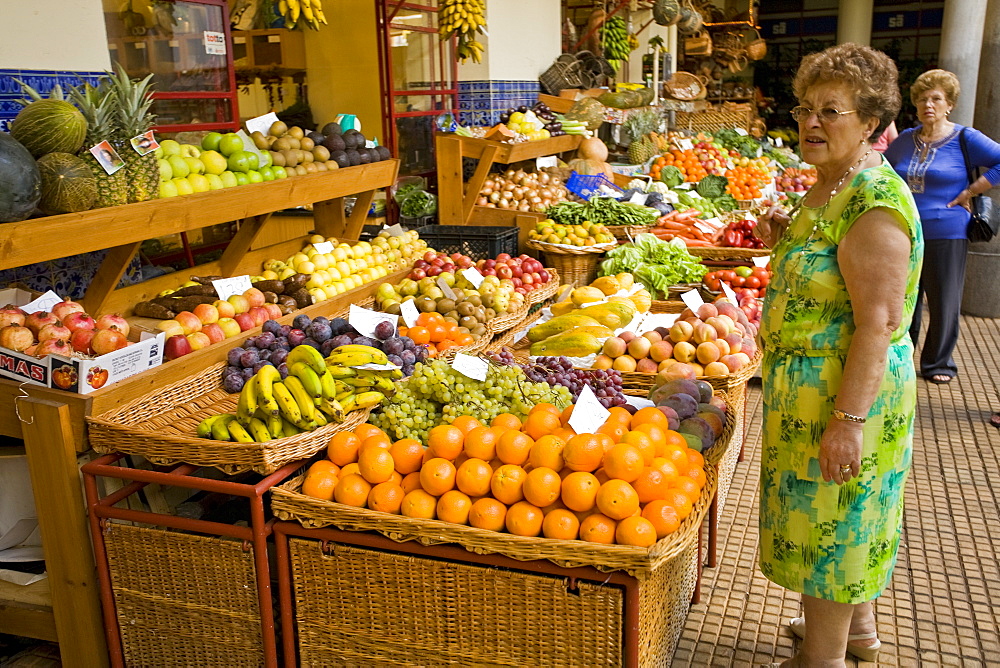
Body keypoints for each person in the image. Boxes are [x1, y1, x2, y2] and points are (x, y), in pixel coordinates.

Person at [753, 43, 923, 667]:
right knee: (843, 521)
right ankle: (858, 636)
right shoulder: (831, 185)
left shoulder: (872, 199)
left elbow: (878, 323)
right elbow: (830, 273)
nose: (812, 122)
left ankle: (818, 662)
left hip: (845, 395)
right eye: (804, 108)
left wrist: (848, 423)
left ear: (872, 123)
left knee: (833, 531)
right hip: (809, 391)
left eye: (832, 110)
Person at [884, 70, 1000, 383]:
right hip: (905, 232)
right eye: (922, 99)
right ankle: (903, 357)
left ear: (949, 103)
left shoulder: (965, 137)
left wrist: (973, 190)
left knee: (944, 299)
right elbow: (880, 167)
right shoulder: (905, 140)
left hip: (947, 231)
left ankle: (938, 364)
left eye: (935, 98)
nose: (927, 104)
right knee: (906, 296)